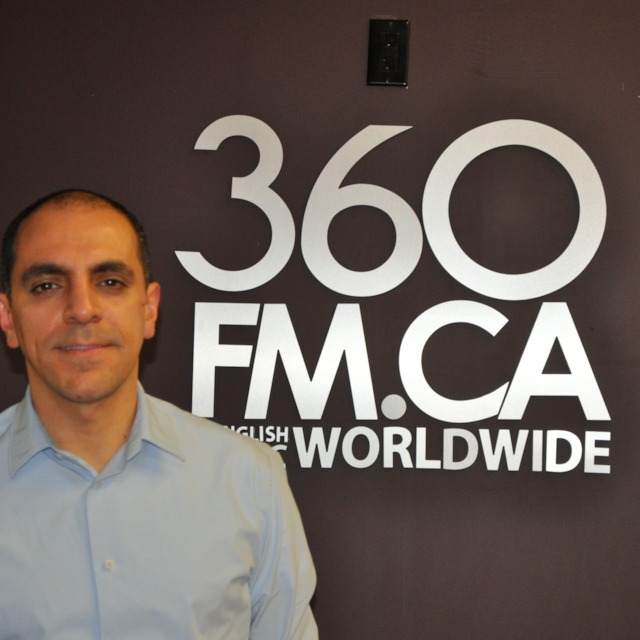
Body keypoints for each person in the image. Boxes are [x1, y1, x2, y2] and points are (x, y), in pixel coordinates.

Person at [0, 189, 318, 639]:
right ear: (8, 317)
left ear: (149, 310)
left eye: (110, 282)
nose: (82, 309)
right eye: (46, 286)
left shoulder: (247, 477)